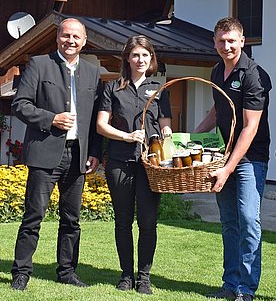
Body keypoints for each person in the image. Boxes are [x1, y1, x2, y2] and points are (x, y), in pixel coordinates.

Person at [10, 18, 103, 291]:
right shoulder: (39, 64)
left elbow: (96, 118)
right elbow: (20, 105)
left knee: (72, 219)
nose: (70, 41)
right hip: (45, 153)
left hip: (78, 156)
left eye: (76, 36)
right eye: (65, 35)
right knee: (33, 216)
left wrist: (95, 152)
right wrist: (51, 118)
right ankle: (22, 272)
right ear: (57, 38)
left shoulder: (92, 71)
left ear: (84, 41)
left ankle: (66, 271)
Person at [195, 17, 271, 301]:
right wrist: (190, 136)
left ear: (242, 41)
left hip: (250, 159)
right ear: (214, 42)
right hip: (224, 157)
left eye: (231, 40)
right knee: (229, 222)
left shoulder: (254, 75)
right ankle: (230, 283)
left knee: (249, 220)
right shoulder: (217, 71)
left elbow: (250, 127)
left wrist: (227, 169)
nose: (226, 46)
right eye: (221, 41)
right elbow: (217, 111)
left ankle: (246, 289)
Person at [96, 35, 172, 295]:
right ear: (127, 58)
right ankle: (126, 275)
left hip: (150, 165)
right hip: (119, 162)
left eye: (146, 55)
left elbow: (166, 125)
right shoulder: (112, 88)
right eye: (136, 55)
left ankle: (144, 276)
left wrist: (169, 138)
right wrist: (127, 136)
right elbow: (101, 125)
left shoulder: (160, 89)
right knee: (123, 222)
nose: (141, 59)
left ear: (151, 59)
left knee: (148, 222)